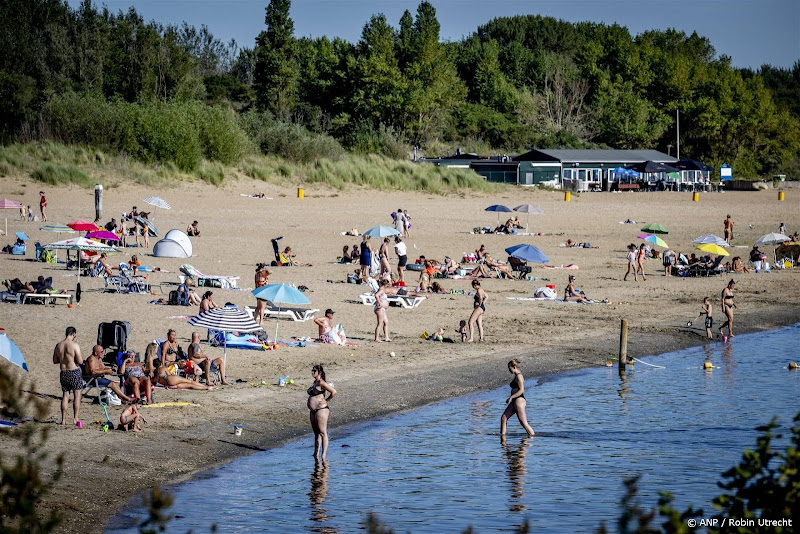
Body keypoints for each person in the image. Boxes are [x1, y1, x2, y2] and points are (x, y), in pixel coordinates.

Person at [53, 326, 84, 426]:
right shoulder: (74, 345)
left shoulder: (58, 345)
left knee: (65, 396)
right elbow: (80, 361)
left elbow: (55, 360)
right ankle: (75, 418)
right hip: (73, 371)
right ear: (73, 334)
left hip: (63, 372)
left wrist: (64, 360)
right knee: (77, 395)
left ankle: (63, 420)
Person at [308, 364, 336, 460]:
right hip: (313, 411)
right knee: (316, 433)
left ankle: (323, 455)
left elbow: (333, 392)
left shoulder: (321, 383)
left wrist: (326, 400)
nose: (312, 372)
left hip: (321, 410)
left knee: (323, 432)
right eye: (312, 370)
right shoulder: (315, 382)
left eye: (314, 371)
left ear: (319, 372)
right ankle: (316, 453)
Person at [500, 359, 535, 437]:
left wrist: (511, 397)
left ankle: (532, 436)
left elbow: (521, 390)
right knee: (504, 418)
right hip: (514, 400)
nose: (509, 370)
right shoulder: (516, 376)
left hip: (519, 400)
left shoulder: (519, 376)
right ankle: (502, 437)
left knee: (523, 422)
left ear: (514, 367)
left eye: (510, 369)